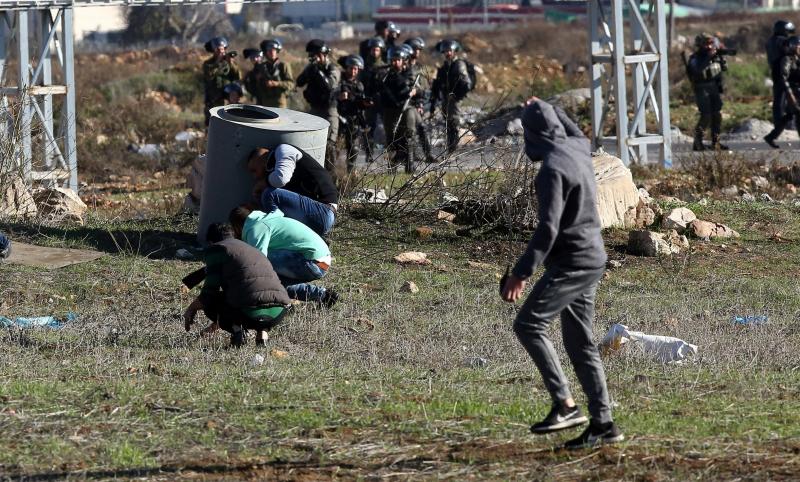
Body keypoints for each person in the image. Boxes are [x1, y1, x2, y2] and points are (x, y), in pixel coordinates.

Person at [500, 98, 623, 450]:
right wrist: (547, 105)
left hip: (572, 262)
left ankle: (565, 405)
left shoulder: (552, 168)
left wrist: (520, 274)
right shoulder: (578, 147)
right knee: (580, 343)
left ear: (533, 134)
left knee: (528, 324)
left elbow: (547, 230)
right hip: (591, 257)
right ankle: (604, 425)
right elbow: (574, 128)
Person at [183, 223, 292, 348]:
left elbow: (209, 293)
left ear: (210, 241)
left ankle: (237, 331)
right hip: (278, 313)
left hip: (247, 312)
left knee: (211, 303)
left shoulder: (217, 249)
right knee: (254, 297)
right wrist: (210, 329)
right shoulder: (252, 250)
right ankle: (262, 334)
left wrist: (191, 308)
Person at [229, 205, 338, 307]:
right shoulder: (269, 219)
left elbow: (258, 265)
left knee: (258, 261)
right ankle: (324, 295)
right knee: (279, 285)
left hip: (314, 263)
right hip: (323, 263)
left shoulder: (256, 229)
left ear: (237, 227)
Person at [247, 145, 339, 236]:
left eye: (254, 170)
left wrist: (263, 183)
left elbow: (281, 178)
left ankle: (275, 235)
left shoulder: (284, 149)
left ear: (259, 158)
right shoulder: (273, 170)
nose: (255, 176)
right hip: (318, 216)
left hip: (324, 212)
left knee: (269, 194)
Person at [296, 39, 340, 173]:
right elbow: (299, 82)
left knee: (330, 145)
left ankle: (331, 175)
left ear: (325, 54)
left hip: (329, 111)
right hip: (315, 110)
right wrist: (309, 71)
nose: (316, 58)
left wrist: (318, 73)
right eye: (313, 55)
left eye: (318, 54)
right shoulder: (311, 68)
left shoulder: (332, 68)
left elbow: (329, 86)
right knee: (311, 143)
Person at [687, 34, 728, 151]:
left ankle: (716, 142)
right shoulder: (695, 58)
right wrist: (707, 58)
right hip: (701, 88)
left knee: (717, 115)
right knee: (706, 115)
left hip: (713, 88)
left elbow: (722, 69)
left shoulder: (714, 56)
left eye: (711, 44)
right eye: (706, 44)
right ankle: (697, 142)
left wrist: (721, 60)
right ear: (700, 45)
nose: (709, 46)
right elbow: (697, 70)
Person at [380, 46, 419, 173]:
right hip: (390, 109)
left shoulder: (410, 73)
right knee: (391, 138)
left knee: (408, 137)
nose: (395, 63)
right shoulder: (386, 74)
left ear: (403, 60)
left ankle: (410, 166)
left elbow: (419, 89)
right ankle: (392, 167)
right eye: (393, 60)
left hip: (406, 108)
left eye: (398, 60)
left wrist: (414, 91)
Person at [430, 39, 473, 154]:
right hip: (445, 99)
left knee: (453, 124)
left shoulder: (458, 64)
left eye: (450, 51)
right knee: (448, 124)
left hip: (454, 101)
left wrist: (455, 95)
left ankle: (453, 151)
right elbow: (438, 85)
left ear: (454, 52)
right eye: (445, 51)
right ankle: (450, 150)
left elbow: (466, 84)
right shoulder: (445, 66)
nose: (447, 53)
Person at [337, 55, 373, 171]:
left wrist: (365, 104)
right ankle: (333, 172)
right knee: (335, 148)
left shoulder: (359, 85)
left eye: (356, 69)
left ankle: (349, 173)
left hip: (353, 119)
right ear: (346, 68)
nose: (353, 71)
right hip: (340, 118)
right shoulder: (339, 82)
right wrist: (339, 97)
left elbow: (358, 103)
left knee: (354, 148)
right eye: (351, 68)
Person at [403, 37, 436, 164]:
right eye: (414, 49)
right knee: (408, 132)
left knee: (421, 128)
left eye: (419, 50)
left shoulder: (419, 68)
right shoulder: (403, 67)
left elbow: (423, 87)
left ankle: (427, 154)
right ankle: (408, 157)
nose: (417, 52)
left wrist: (420, 102)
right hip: (402, 102)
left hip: (415, 103)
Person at [765, 24, 798, 148]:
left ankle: (776, 130)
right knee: (784, 104)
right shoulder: (781, 42)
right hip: (783, 74)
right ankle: (780, 128)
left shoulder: (770, 41)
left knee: (782, 104)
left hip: (777, 74)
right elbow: (788, 48)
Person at [202, 36, 241, 126]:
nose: (220, 52)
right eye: (218, 50)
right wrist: (218, 62)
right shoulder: (208, 63)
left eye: (222, 49)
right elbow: (209, 75)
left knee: (227, 123)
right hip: (213, 98)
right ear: (214, 51)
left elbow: (238, 76)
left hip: (227, 98)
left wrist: (230, 63)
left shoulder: (229, 61)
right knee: (212, 123)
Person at [251, 39, 294, 108]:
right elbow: (254, 87)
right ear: (266, 53)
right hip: (264, 103)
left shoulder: (283, 65)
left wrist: (276, 83)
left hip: (279, 103)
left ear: (277, 51)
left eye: (274, 50)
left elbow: (291, 84)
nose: (272, 52)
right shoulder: (261, 67)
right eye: (269, 50)